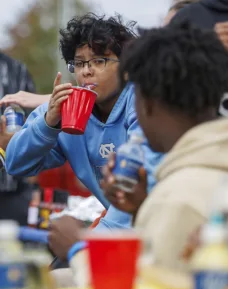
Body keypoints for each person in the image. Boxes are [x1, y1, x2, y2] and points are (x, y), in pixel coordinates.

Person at [6, 13, 162, 244]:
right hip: (116, 234)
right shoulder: (65, 107)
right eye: (79, 63)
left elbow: (137, 187)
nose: (86, 71)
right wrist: (49, 123)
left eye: (99, 60)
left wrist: (84, 244)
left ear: (127, 68)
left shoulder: (142, 102)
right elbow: (16, 164)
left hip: (160, 226)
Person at [102, 21, 228, 272]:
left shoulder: (175, 200)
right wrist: (141, 209)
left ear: (147, 104)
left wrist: (75, 248)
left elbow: (153, 287)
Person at [0, 52, 45, 225]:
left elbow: (34, 124)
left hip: (15, 188)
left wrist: (34, 186)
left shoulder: (16, 70)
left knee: (16, 248)